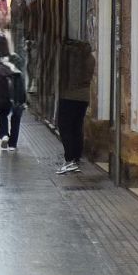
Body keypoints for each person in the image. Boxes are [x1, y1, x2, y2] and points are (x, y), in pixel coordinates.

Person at [56, 36, 96, 175]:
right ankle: (76, 157)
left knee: (64, 126)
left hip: (68, 95)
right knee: (77, 126)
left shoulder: (68, 55)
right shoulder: (89, 56)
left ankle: (69, 159)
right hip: (84, 96)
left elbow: (62, 74)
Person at [0, 32, 27, 148]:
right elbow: (22, 75)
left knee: (3, 113)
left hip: (2, 90)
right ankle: (13, 144)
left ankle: (4, 134)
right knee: (16, 116)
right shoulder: (15, 57)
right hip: (17, 88)